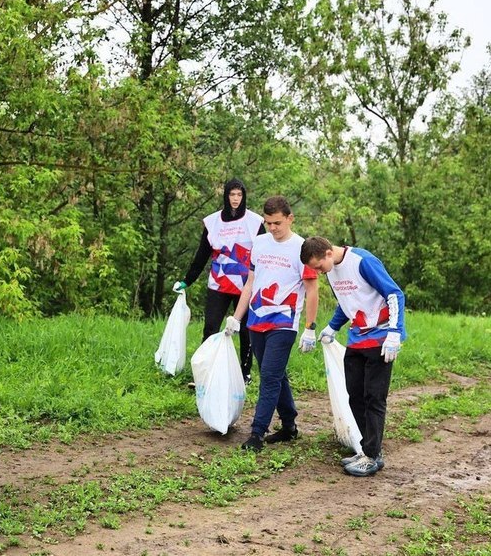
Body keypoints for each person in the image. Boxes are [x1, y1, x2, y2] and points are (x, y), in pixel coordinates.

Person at [300, 236, 406, 477]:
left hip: (380, 339)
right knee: (355, 396)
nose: (318, 272)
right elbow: (346, 303)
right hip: (356, 340)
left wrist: (394, 334)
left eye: (318, 266)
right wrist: (332, 327)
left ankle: (372, 455)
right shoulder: (330, 270)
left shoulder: (362, 261)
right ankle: (367, 449)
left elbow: (394, 294)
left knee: (374, 398)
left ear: (328, 253)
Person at [224, 195, 319, 452]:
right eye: (268, 223)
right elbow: (251, 282)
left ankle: (257, 433)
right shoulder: (260, 243)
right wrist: (237, 317)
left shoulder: (302, 248)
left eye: (277, 223)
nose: (273, 228)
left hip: (284, 322)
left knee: (268, 376)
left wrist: (310, 328)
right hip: (256, 319)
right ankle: (289, 426)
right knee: (274, 374)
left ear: (290, 219)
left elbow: (312, 290)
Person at [173, 178, 265, 385]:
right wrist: (187, 280)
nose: (235, 199)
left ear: (244, 196)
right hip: (219, 284)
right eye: (232, 194)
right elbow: (202, 255)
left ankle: (245, 373)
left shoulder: (254, 221)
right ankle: (206, 372)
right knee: (211, 327)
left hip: (246, 285)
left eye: (239, 195)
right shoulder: (212, 222)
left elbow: (265, 252)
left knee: (245, 329)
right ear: (226, 196)